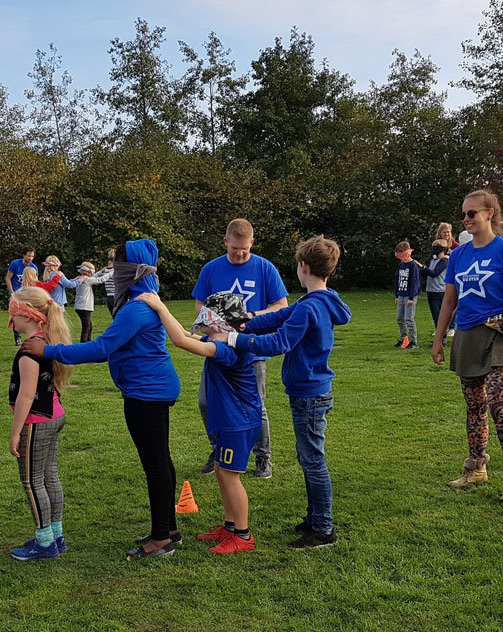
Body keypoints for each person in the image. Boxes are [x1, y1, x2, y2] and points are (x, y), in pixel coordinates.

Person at [22, 239, 181, 560]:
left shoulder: (137, 308)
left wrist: (49, 350)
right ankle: (168, 529)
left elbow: (101, 348)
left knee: (156, 465)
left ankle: (161, 539)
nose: (113, 273)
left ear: (131, 271)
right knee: (160, 462)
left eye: (117, 267)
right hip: (148, 391)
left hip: (146, 394)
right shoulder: (143, 302)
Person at [216, 235, 352, 549]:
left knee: (313, 460)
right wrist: (242, 322)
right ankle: (315, 518)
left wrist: (233, 340)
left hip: (310, 394)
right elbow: (277, 318)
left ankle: (323, 529)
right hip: (311, 391)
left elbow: (279, 342)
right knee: (309, 458)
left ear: (303, 267)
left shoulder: (310, 307)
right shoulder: (314, 301)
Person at [138, 291, 261, 554]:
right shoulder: (219, 339)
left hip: (238, 422)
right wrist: (164, 316)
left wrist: (161, 308)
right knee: (221, 470)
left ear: (219, 319)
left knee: (230, 476)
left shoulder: (228, 348)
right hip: (231, 420)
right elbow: (188, 335)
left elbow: (182, 341)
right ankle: (230, 526)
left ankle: (243, 534)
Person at [431, 189, 503, 504]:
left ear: (490, 213)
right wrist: (438, 338)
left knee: (500, 407)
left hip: (501, 335)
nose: (466, 219)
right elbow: (449, 300)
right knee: (474, 407)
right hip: (468, 335)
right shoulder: (459, 254)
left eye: (472, 213)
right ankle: (476, 467)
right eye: (464, 214)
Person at [191, 219, 288, 479]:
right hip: (218, 347)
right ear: (226, 242)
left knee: (256, 405)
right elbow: (200, 304)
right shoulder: (211, 269)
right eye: (235, 248)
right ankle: (218, 451)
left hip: (250, 349)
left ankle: (263, 458)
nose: (240, 253)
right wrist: (216, 321)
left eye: (245, 249)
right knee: (206, 402)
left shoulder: (265, 268)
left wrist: (252, 316)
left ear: (252, 243)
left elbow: (281, 305)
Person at [7, 287, 73, 560]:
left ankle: (45, 542)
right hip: (54, 416)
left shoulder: (29, 351)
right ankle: (56, 535)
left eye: (13, 314)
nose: (11, 321)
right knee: (49, 477)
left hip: (36, 421)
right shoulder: (47, 340)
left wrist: (15, 434)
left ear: (27, 314)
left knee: (32, 482)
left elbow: (26, 394)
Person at [393, 239, 422, 349]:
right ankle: (403, 338)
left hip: (410, 295)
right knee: (400, 318)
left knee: (409, 319)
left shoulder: (412, 265)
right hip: (401, 294)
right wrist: (396, 295)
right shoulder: (401, 265)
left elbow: (414, 282)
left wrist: (411, 297)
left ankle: (414, 341)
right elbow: (397, 280)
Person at [7, 248, 39, 345]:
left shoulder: (34, 267)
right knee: (17, 315)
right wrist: (12, 292)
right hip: (17, 293)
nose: (30, 258)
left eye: (32, 256)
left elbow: (35, 281)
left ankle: (33, 336)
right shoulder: (15, 264)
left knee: (31, 315)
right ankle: (17, 337)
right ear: (24, 255)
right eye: (28, 256)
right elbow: (8, 278)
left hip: (28, 294)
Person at [422, 240, 450, 328]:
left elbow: (434, 273)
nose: (434, 249)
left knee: (439, 316)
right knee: (435, 316)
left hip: (439, 291)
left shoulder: (444, 261)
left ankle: (442, 337)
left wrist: (423, 268)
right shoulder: (433, 260)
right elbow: (427, 273)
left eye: (437, 247)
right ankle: (438, 333)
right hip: (430, 290)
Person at [72, 262, 98, 342]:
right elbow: (100, 280)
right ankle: (83, 345)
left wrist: (103, 271)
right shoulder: (87, 280)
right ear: (89, 272)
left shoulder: (81, 278)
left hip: (80, 306)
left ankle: (88, 343)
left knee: (89, 326)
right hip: (84, 307)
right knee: (86, 328)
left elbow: (95, 277)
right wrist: (111, 272)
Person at [87, 249, 116, 317]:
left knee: (115, 318)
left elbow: (93, 277)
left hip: (109, 296)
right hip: (117, 296)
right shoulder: (117, 269)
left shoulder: (105, 269)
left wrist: (101, 271)